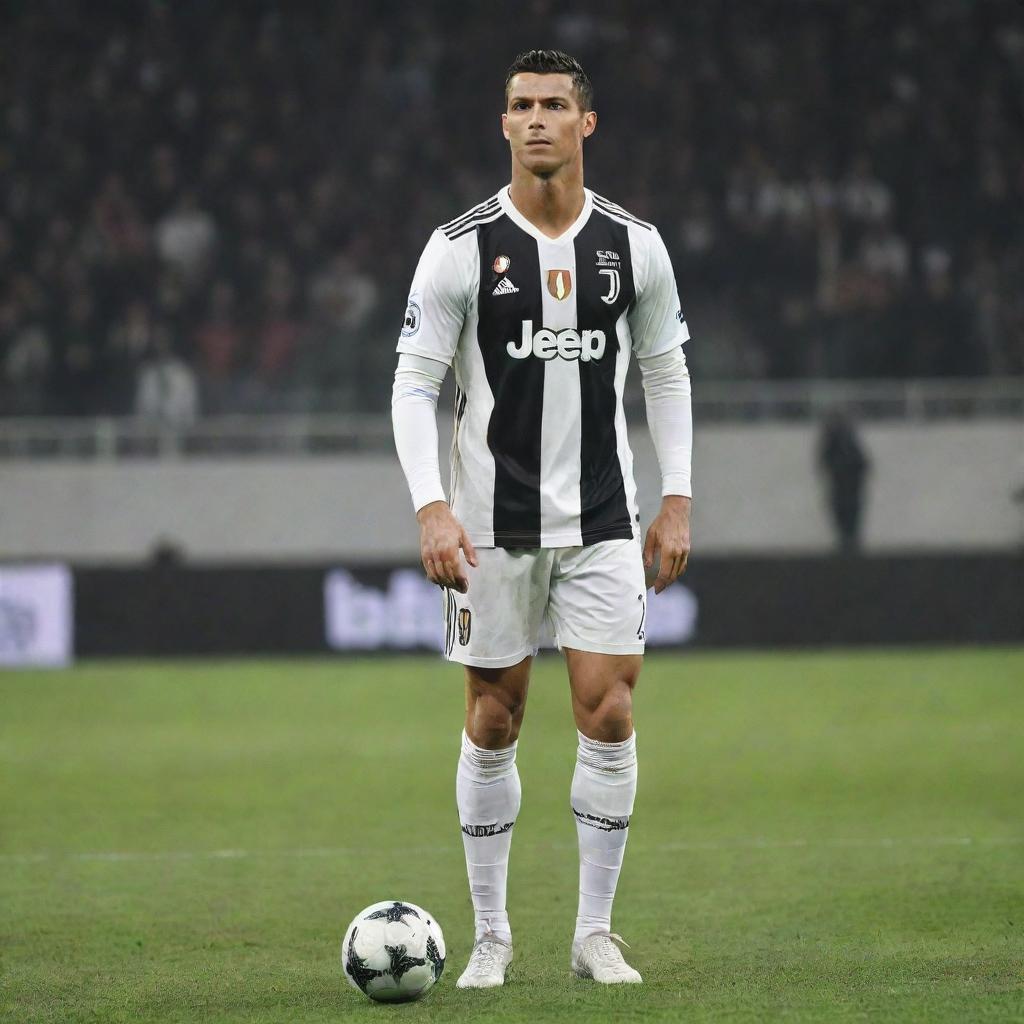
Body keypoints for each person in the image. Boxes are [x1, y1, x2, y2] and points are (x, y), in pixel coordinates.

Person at [391, 50, 693, 988]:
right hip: (490, 523)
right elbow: (413, 384)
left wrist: (677, 493)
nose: (535, 120)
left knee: (609, 711)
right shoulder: (459, 247)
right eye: (520, 105)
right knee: (493, 717)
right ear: (504, 122)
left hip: (603, 517)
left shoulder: (633, 245)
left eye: (554, 105)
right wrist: (431, 506)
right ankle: (491, 935)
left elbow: (666, 371)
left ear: (586, 123)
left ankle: (593, 933)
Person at [817, 409, 870, 552]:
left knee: (848, 512)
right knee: (844, 512)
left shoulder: (845, 441)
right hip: (842, 486)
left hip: (847, 486)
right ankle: (847, 539)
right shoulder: (837, 441)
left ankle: (849, 539)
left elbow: (862, 463)